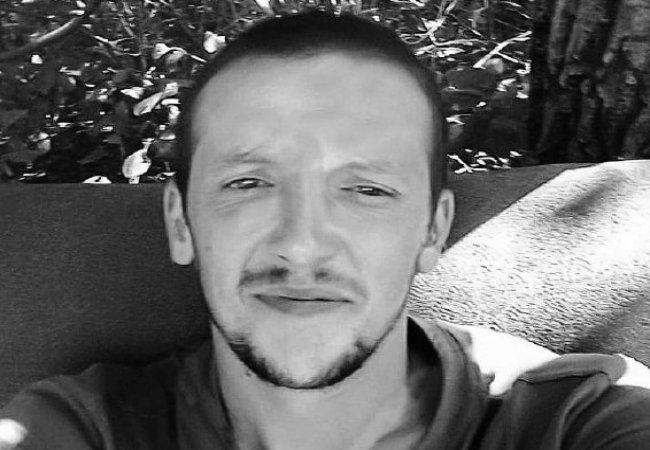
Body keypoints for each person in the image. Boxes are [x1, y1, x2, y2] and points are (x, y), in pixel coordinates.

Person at [2, 11, 650, 450]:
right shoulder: (79, 429)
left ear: (433, 231)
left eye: (367, 190)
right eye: (248, 184)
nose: (301, 244)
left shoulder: (578, 418)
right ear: (181, 222)